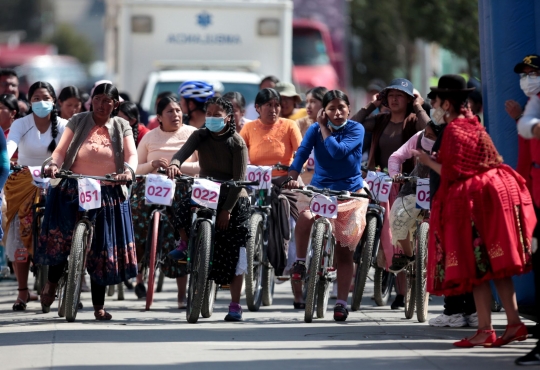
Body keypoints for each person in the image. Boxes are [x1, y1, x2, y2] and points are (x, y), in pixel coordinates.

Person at [416, 74, 535, 348]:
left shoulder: (455, 130)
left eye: (435, 100)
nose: (433, 105)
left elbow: (454, 171)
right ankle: (512, 324)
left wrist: (426, 160)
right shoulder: (472, 124)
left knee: (477, 267)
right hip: (492, 198)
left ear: (447, 103)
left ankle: (487, 329)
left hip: (474, 203)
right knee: (494, 268)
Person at [37, 82, 138, 320]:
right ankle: (51, 283)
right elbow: (60, 151)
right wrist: (53, 164)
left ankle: (98, 306)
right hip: (73, 186)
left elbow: (132, 154)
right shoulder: (78, 120)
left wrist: (128, 171)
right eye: (97, 99)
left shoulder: (121, 125)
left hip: (108, 190)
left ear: (115, 105)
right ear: (91, 100)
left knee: (101, 249)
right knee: (62, 240)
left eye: (107, 101)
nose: (101, 105)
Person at [285, 90, 368, 321]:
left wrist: (324, 127)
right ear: (325, 111)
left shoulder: (356, 129)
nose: (337, 112)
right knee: (305, 217)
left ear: (349, 109)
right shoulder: (313, 130)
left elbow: (338, 152)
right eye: (331, 108)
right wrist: (292, 174)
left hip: (350, 193)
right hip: (320, 190)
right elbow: (302, 153)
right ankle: (300, 264)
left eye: (341, 107)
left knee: (344, 252)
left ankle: (341, 302)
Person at [166, 97, 250, 322]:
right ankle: (185, 243)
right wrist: (175, 163)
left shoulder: (237, 143)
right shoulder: (199, 135)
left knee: (234, 247)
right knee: (180, 207)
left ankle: (234, 304)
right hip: (206, 189)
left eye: (217, 114)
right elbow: (181, 154)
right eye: (209, 113)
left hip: (232, 195)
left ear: (228, 118)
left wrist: (227, 210)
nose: (211, 117)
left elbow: (239, 180)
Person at [351, 78, 429, 309]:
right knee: (379, 234)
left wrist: (419, 107)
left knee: (399, 235)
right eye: (391, 95)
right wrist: (371, 106)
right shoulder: (380, 119)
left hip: (407, 185)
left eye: (400, 95)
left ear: (409, 99)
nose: (394, 99)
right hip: (379, 182)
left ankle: (403, 292)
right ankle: (369, 263)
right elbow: (351, 126)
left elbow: (431, 131)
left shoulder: (414, 120)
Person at [5, 81, 68, 311]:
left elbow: (69, 152)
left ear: (54, 101)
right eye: (36, 98)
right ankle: (23, 291)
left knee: (64, 225)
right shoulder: (21, 124)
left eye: (46, 98)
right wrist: (5, 161)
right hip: (23, 181)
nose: (41, 102)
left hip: (54, 181)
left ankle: (62, 283)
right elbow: (10, 145)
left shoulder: (64, 125)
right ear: (29, 101)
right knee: (19, 233)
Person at [131, 96, 199, 305]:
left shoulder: (193, 134)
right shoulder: (150, 137)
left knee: (180, 231)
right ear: (159, 117)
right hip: (152, 187)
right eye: (170, 111)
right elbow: (135, 168)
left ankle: (181, 293)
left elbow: (201, 167)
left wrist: (178, 167)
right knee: (135, 216)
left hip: (182, 187)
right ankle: (138, 266)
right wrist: (152, 163)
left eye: (178, 110)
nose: (176, 115)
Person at [514, 54, 540, 365]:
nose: (529, 77)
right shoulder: (533, 102)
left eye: (534, 72)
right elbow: (527, 126)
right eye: (526, 73)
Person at [387, 122, 441, 272]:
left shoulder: (450, 143)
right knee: (397, 216)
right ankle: (409, 255)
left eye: (432, 136)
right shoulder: (418, 138)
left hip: (443, 189)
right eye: (426, 134)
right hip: (416, 186)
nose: (426, 138)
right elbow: (396, 156)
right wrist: (395, 174)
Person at [295, 86, 328, 186]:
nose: (308, 106)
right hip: (302, 183)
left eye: (313, 102)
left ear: (325, 103)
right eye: (307, 102)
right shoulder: (300, 124)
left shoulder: (334, 128)